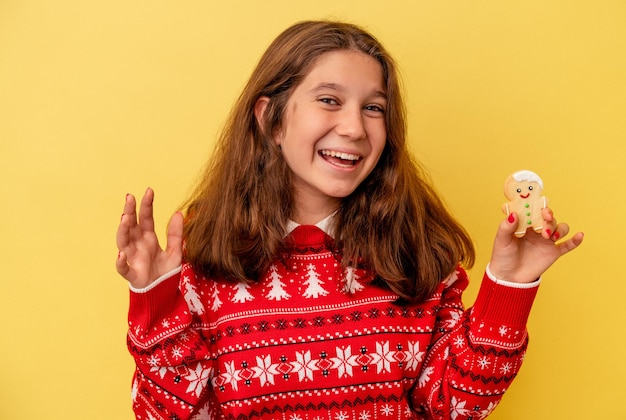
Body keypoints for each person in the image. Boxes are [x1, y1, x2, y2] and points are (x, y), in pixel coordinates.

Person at [116, 20, 584, 420]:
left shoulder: (414, 251)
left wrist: (510, 285)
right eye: (329, 100)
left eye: (374, 108)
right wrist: (155, 307)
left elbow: (452, 405)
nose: (355, 128)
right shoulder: (201, 259)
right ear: (271, 119)